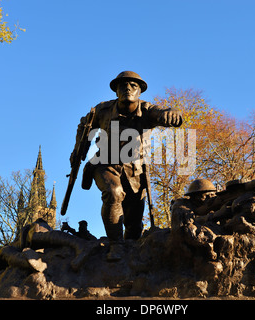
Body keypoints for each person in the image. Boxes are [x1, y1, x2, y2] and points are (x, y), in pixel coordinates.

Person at [71, 71, 182, 261]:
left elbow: (164, 114)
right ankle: (116, 245)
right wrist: (78, 150)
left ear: (140, 92)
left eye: (133, 86)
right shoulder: (103, 110)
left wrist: (171, 114)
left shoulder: (147, 110)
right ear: (116, 91)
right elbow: (85, 125)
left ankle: (130, 254)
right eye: (123, 86)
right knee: (113, 192)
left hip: (135, 170)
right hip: (105, 163)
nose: (128, 88)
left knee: (133, 224)